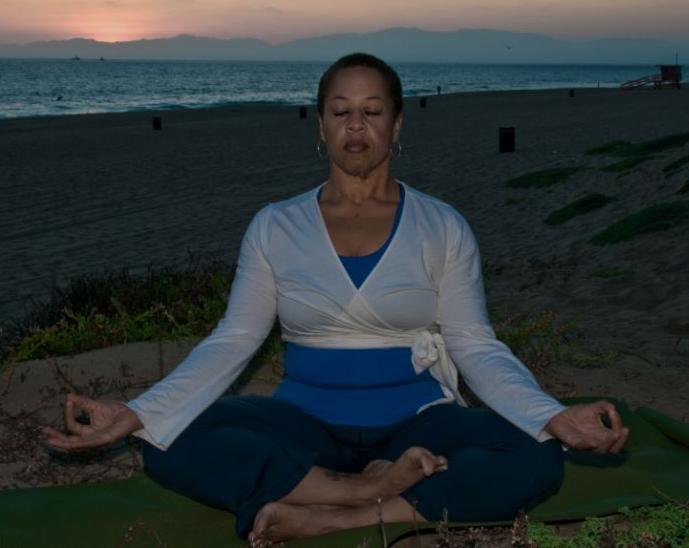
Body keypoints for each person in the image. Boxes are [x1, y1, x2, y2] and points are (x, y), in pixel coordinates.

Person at [42, 53, 629, 546]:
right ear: (319, 124)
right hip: (303, 424)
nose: (356, 127)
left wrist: (550, 414)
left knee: (537, 455)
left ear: (397, 125)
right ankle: (357, 490)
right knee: (167, 438)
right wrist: (140, 411)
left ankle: (355, 514)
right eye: (341, 112)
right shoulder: (275, 225)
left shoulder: (442, 225)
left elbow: (474, 344)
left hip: (417, 426)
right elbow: (235, 340)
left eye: (373, 112)